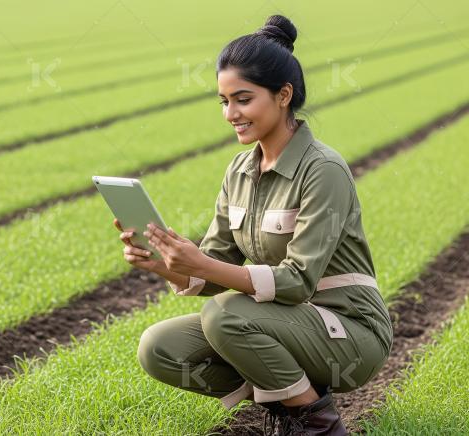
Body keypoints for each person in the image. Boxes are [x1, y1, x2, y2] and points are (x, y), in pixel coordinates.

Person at [114, 14, 393, 436]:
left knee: (226, 315)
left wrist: (203, 266)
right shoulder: (240, 170)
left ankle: (317, 426)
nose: (230, 113)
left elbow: (297, 282)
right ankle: (291, 399)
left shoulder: (323, 170)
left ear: (283, 95)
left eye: (243, 99)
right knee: (160, 348)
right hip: (283, 323)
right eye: (223, 101)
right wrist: (164, 265)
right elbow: (214, 267)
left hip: (349, 330)